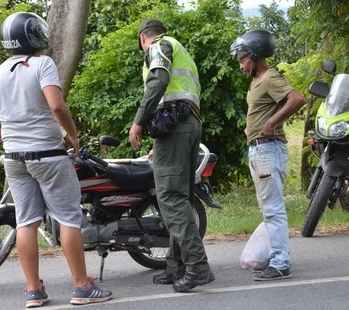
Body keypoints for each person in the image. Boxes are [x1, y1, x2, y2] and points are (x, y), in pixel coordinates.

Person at [0, 12, 112, 308]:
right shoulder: (42, 64)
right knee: (68, 217)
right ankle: (81, 287)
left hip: (14, 158)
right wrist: (74, 136)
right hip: (49, 156)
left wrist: (14, 142)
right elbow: (56, 104)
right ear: (35, 35)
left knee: (26, 221)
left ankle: (33, 291)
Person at [128, 18, 214, 292]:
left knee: (170, 198)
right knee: (181, 198)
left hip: (174, 127)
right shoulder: (180, 49)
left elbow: (159, 80)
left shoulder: (158, 47)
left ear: (144, 38)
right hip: (187, 126)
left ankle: (198, 266)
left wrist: (139, 121)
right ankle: (175, 267)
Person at [229, 29, 306, 281]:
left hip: (268, 150)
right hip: (259, 150)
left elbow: (296, 99)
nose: (241, 65)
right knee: (268, 208)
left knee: (273, 209)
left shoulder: (270, 77)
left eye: (242, 59)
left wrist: (272, 122)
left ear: (255, 55)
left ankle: (281, 262)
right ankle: (275, 256)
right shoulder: (256, 83)